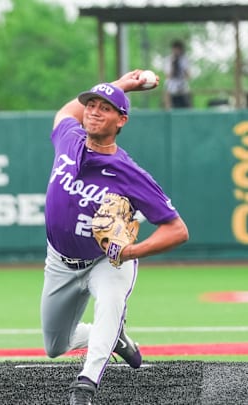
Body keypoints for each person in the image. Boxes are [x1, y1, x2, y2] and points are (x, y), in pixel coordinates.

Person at [41, 70, 190, 404]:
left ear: (121, 120)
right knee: (55, 346)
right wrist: (120, 85)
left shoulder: (129, 173)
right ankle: (115, 339)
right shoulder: (69, 137)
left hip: (106, 261)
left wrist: (131, 251)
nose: (93, 111)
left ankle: (85, 386)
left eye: (104, 107)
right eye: (90, 104)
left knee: (109, 303)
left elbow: (177, 229)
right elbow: (64, 113)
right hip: (60, 262)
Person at [163, 39, 192, 109]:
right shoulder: (169, 59)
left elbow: (189, 76)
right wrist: (173, 64)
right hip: (172, 82)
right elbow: (167, 76)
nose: (176, 51)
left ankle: (189, 110)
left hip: (182, 82)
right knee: (166, 90)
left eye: (178, 49)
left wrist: (183, 67)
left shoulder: (184, 59)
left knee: (188, 92)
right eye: (175, 49)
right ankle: (168, 110)